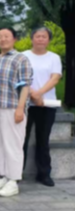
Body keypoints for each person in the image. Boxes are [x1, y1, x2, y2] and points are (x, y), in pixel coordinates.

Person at [0, 27, 32, 197]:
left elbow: (25, 85)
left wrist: (20, 108)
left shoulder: (20, 59)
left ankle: (14, 181)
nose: (3, 39)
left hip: (12, 107)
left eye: (6, 36)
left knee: (13, 145)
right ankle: (4, 176)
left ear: (14, 39)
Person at [23, 26, 62, 187]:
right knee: (21, 140)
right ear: (32, 38)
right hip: (25, 104)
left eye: (44, 36)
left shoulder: (54, 58)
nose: (40, 39)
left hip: (47, 104)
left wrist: (39, 94)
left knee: (43, 140)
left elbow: (55, 78)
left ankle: (44, 174)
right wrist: (32, 94)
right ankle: (16, 173)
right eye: (37, 36)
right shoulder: (23, 56)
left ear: (48, 40)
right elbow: (20, 77)